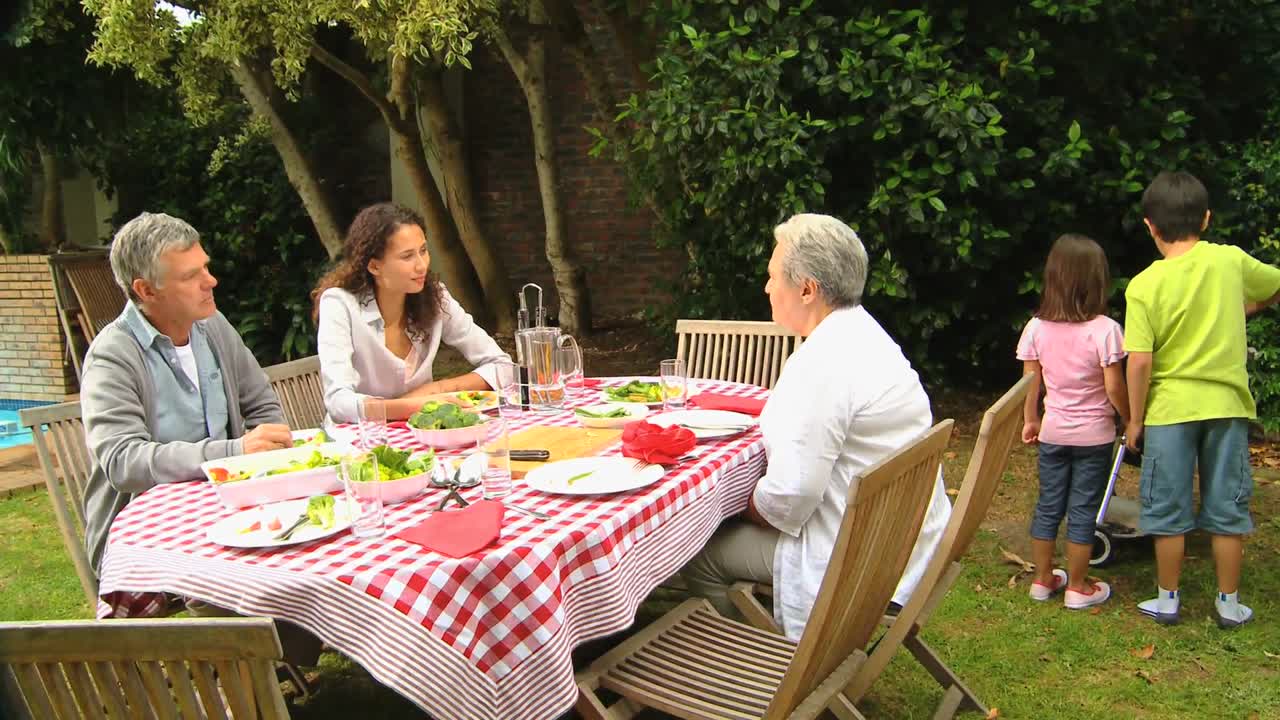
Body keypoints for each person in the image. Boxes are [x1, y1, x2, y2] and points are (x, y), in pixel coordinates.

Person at [681, 213, 953, 640]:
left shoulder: (819, 364)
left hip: (857, 559)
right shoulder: (868, 335)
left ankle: (753, 670)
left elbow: (791, 496)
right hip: (906, 539)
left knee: (698, 553)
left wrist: (739, 509)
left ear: (807, 288)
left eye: (773, 277)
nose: (767, 287)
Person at [82, 212, 293, 577]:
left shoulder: (212, 326)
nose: (210, 281)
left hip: (228, 510)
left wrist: (267, 466)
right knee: (276, 582)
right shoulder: (112, 355)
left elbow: (261, 404)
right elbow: (123, 461)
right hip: (144, 535)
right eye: (190, 276)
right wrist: (234, 453)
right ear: (146, 290)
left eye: (205, 268)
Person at [1124, 171, 1280, 627]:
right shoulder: (1231, 262)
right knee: (1227, 508)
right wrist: (1247, 307)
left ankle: (1168, 599)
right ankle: (1229, 604)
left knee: (1167, 509)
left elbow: (1138, 362)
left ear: (1150, 225)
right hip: (1227, 409)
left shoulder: (1143, 285)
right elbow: (1274, 284)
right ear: (1207, 219)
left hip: (1170, 411)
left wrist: (1136, 420)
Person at [314, 203, 511, 423]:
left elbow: (503, 367)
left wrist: (437, 390)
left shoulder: (435, 296)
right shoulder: (339, 304)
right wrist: (413, 405)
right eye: (407, 256)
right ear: (374, 267)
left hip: (424, 431)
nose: (421, 265)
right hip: (358, 440)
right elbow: (338, 403)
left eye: (423, 251)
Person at [1016, 234, 1128, 610]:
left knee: (1049, 504)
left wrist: (1031, 421)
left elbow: (1030, 385)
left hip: (1053, 432)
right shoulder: (1106, 329)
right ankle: (1078, 586)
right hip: (1094, 437)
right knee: (1082, 508)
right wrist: (1130, 419)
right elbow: (1114, 386)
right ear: (1098, 281)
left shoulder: (1036, 328)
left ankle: (1042, 579)